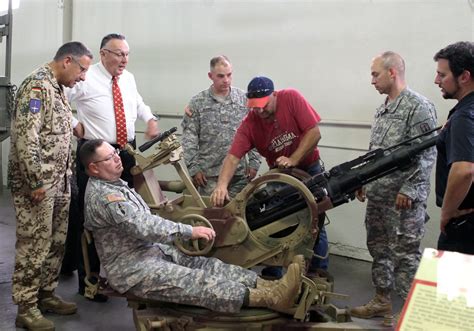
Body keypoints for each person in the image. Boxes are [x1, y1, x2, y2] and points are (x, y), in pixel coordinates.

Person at [80, 139, 303, 314]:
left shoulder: (116, 185)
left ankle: (272, 287)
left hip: (154, 252)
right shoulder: (104, 196)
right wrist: (188, 230)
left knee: (211, 266)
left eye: (115, 153)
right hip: (132, 269)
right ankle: (272, 299)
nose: (117, 159)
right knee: (198, 282)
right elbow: (142, 225)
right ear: (94, 168)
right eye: (109, 158)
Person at [65, 33, 159, 302]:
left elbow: (138, 103)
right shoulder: (86, 77)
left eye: (127, 54)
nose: (124, 60)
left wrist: (150, 119)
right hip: (96, 154)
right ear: (103, 53)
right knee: (91, 218)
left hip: (126, 152)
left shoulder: (127, 78)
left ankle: (127, 272)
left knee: (129, 213)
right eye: (119, 54)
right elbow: (60, 100)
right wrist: (73, 124)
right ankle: (89, 280)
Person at [8, 41, 93, 331]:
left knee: (55, 242)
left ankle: (46, 294)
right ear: (67, 61)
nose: (82, 77)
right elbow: (25, 137)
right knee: (34, 243)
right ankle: (26, 307)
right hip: (39, 184)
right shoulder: (36, 86)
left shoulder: (58, 89)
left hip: (60, 180)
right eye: (82, 70)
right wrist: (35, 181)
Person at [210, 76, 328, 278]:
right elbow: (233, 157)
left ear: (274, 95)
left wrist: (293, 158)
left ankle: (318, 270)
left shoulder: (291, 98)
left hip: (309, 169)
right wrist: (221, 186)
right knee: (277, 218)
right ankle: (274, 269)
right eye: (255, 107)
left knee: (314, 220)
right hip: (281, 176)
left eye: (263, 105)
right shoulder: (250, 124)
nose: (260, 111)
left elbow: (314, 133)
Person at [350, 51, 437, 322]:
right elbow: (375, 152)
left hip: (403, 200)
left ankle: (414, 314)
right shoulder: (384, 107)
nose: (371, 80)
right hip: (379, 196)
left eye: (375, 74)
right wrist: (362, 179)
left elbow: (427, 153)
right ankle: (382, 301)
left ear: (392, 73)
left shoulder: (418, 106)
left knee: (405, 257)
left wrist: (410, 189)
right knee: (379, 250)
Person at [181, 55, 261, 197]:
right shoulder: (198, 102)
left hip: (239, 174)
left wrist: (254, 162)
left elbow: (255, 133)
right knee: (213, 216)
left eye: (229, 75)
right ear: (210, 76)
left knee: (239, 215)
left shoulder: (243, 99)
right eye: (220, 76)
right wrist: (193, 168)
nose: (226, 80)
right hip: (209, 176)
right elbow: (189, 138)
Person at [433, 41, 474, 254]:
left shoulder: (464, 117)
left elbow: (464, 170)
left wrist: (447, 213)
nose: (436, 80)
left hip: (464, 226)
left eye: (442, 75)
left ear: (464, 77)